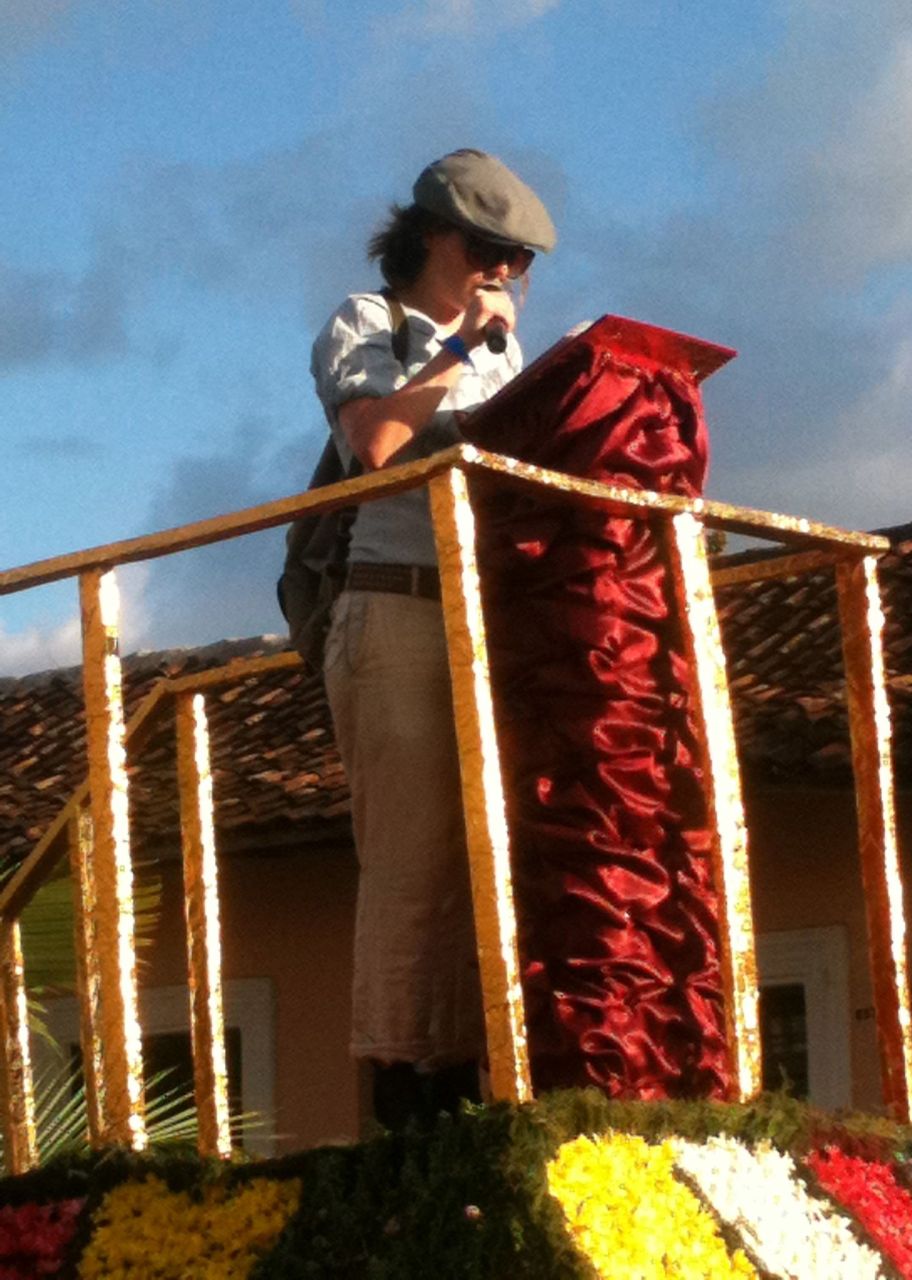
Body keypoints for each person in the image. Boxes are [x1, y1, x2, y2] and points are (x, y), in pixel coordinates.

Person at [310, 149, 556, 1127]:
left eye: (518, 260)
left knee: (486, 859)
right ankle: (407, 1114)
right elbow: (375, 444)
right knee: (412, 867)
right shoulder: (367, 322)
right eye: (491, 249)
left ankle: (473, 1091)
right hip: (396, 610)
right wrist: (456, 348)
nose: (505, 272)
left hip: (483, 617)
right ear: (433, 237)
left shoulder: (505, 354)